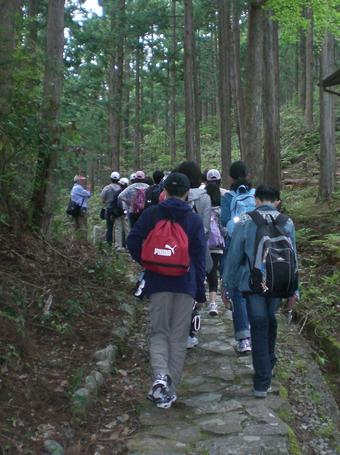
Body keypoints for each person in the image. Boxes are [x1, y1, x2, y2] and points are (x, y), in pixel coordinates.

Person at [127, 172, 206, 409]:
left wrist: (147, 262)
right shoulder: (193, 219)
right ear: (187, 193)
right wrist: (200, 291)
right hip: (186, 284)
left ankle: (159, 375)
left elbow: (133, 240)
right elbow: (200, 258)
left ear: (164, 191)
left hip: (158, 282)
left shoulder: (152, 214)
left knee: (159, 331)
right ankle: (169, 390)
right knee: (178, 337)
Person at [223, 184, 299, 398]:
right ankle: (269, 362)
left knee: (258, 324)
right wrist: (295, 289)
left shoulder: (246, 221)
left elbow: (234, 256)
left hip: (252, 284)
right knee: (268, 318)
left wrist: (227, 285)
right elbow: (294, 257)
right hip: (279, 282)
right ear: (277, 201)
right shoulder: (287, 222)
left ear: (256, 200)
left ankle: (262, 381)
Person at [175, 161, 212, 348]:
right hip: (194, 251)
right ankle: (189, 333)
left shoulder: (171, 194)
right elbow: (206, 229)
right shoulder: (205, 198)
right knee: (191, 288)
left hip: (172, 250)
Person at [221, 161, 254, 355]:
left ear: (231, 177)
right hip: (257, 246)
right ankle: (256, 331)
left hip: (235, 246)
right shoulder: (256, 193)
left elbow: (225, 220)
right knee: (257, 287)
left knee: (237, 290)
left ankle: (243, 339)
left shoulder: (228, 197)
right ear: (248, 175)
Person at [205, 172, 227, 316]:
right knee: (214, 272)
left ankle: (197, 298)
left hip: (203, 243)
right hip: (217, 244)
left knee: (203, 271)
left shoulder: (201, 198)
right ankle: (213, 303)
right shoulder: (224, 198)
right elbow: (225, 227)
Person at [101, 171, 121, 246]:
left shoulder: (107, 188)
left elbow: (102, 199)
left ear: (111, 179)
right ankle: (119, 244)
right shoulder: (121, 188)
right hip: (119, 211)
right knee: (119, 228)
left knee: (109, 227)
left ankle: (109, 243)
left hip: (109, 210)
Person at [70, 175, 92, 240]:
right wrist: (88, 189)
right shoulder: (78, 188)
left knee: (76, 225)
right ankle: (83, 240)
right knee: (83, 225)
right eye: (82, 180)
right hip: (81, 209)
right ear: (78, 181)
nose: (83, 181)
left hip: (76, 209)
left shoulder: (75, 187)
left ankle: (76, 240)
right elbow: (88, 194)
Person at [114, 177, 129, 250]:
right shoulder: (127, 191)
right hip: (120, 213)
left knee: (121, 229)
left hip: (122, 213)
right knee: (125, 229)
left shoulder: (118, 192)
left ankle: (120, 245)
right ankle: (121, 245)